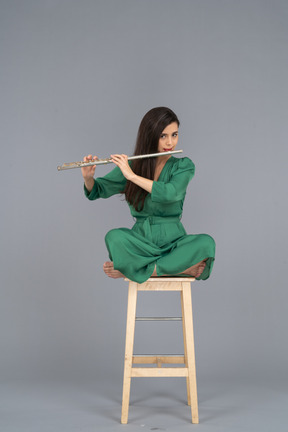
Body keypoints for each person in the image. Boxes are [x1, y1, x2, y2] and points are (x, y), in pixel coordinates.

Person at [81, 107, 215, 284]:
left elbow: (171, 193)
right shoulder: (133, 165)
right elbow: (98, 190)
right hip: (141, 243)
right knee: (114, 237)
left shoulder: (184, 166)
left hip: (174, 243)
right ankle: (179, 269)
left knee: (206, 243)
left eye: (174, 135)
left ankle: (135, 269)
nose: (170, 142)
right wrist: (88, 178)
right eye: (163, 136)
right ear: (150, 136)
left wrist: (132, 177)